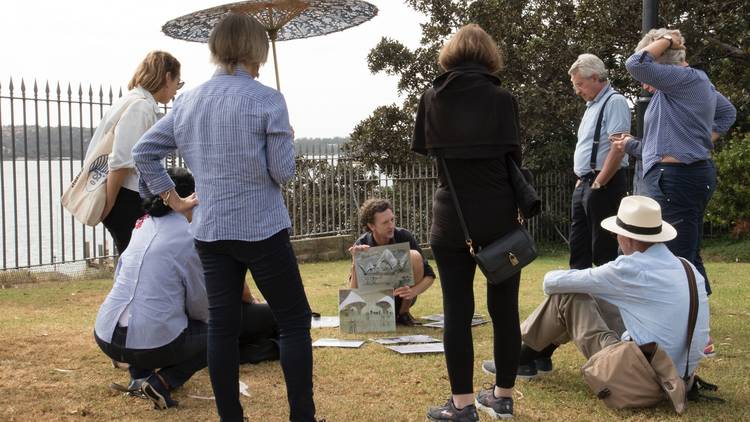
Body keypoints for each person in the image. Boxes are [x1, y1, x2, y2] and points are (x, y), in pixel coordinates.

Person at [132, 14, 319, 422]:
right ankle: (302, 417)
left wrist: (175, 199)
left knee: (222, 325)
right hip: (262, 228)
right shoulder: (268, 99)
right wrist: (284, 134)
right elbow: (282, 173)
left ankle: (231, 417)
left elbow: (143, 152)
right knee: (293, 320)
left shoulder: (188, 101)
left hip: (211, 229)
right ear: (257, 50)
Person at [94, 168, 280, 410]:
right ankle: (163, 382)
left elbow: (121, 274)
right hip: (150, 343)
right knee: (220, 332)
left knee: (153, 316)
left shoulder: (142, 225)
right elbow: (202, 307)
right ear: (190, 198)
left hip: (107, 334)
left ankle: (138, 374)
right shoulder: (189, 235)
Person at [413, 24, 523, 421]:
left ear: (450, 55)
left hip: (452, 217)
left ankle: (460, 406)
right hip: (499, 215)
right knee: (505, 309)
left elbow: (428, 152)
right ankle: (503, 396)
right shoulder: (503, 99)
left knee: (456, 311)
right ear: (489, 56)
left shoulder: (431, 98)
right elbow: (514, 158)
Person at [510, 196, 709, 398]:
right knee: (592, 293)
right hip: (680, 377)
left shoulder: (630, 268)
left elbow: (550, 283)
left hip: (642, 380)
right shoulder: (687, 267)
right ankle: (539, 354)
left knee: (567, 297)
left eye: (616, 234)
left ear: (627, 238)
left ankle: (517, 357)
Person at [624, 28, 736, 299]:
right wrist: (699, 139)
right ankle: (698, 320)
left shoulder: (685, 80)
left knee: (677, 256)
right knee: (687, 252)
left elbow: (635, 63)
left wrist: (666, 40)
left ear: (663, 60)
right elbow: (727, 113)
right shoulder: (690, 85)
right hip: (682, 174)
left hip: (676, 177)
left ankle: (692, 327)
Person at [83, 51, 183, 254]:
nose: (176, 91)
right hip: (126, 197)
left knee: (133, 262)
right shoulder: (141, 107)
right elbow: (120, 162)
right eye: (177, 83)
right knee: (135, 261)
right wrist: (108, 206)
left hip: (125, 195)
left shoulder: (130, 101)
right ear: (167, 77)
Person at [567, 53, 630, 270]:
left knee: (603, 247)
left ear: (595, 77)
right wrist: (582, 180)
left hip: (605, 182)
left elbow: (618, 147)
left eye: (580, 84)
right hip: (586, 182)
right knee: (578, 245)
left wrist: (599, 182)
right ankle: (577, 299)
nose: (577, 91)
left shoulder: (615, 101)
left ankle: (605, 301)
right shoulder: (591, 107)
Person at [349, 198, 435, 326]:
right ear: (372, 226)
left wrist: (413, 291)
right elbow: (353, 291)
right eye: (385, 223)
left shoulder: (404, 236)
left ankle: (404, 313)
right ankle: (381, 315)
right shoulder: (362, 244)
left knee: (414, 255)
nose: (391, 226)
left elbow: (430, 275)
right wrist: (356, 261)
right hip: (374, 301)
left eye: (392, 220)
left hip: (403, 298)